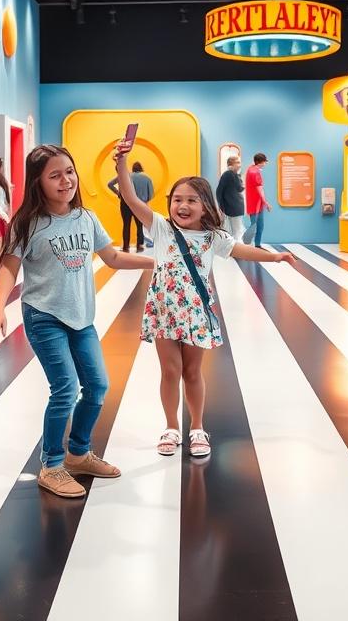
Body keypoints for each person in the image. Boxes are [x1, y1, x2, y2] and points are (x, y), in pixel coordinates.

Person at [0, 145, 153, 499]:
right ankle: (51, 465)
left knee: (97, 387)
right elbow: (9, 267)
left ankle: (78, 454)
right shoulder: (27, 223)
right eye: (55, 175)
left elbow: (112, 257)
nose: (66, 181)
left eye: (69, 172)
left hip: (81, 318)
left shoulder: (86, 218)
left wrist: (153, 262)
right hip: (44, 316)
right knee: (64, 388)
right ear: (38, 182)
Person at [113, 137, 295, 459]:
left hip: (196, 311)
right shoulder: (161, 228)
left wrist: (274, 257)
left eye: (191, 200)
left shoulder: (213, 237)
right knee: (170, 371)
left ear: (205, 206)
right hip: (164, 311)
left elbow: (242, 250)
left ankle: (197, 427)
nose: (182, 206)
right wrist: (122, 163)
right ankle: (171, 427)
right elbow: (129, 196)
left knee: (193, 372)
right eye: (177, 200)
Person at [107, 160, 154, 251]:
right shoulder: (147, 178)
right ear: (141, 169)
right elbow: (151, 194)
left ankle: (126, 247)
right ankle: (139, 246)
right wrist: (145, 200)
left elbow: (110, 184)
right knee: (139, 225)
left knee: (126, 225)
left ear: (132, 169)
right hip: (140, 204)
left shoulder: (125, 176)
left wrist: (118, 193)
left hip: (125, 203)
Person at [244, 152, 271, 248]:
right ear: (261, 162)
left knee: (258, 225)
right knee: (255, 226)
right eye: (264, 162)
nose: (265, 164)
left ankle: (257, 245)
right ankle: (248, 244)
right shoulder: (255, 172)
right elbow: (260, 189)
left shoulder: (251, 169)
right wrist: (266, 203)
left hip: (255, 203)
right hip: (255, 204)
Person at [216, 156, 246, 242]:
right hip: (233, 208)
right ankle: (237, 248)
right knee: (237, 231)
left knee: (237, 231)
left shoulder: (234, 175)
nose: (240, 165)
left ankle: (236, 247)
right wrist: (221, 207)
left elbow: (239, 188)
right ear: (231, 164)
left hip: (234, 207)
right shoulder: (228, 174)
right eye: (237, 162)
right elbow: (219, 191)